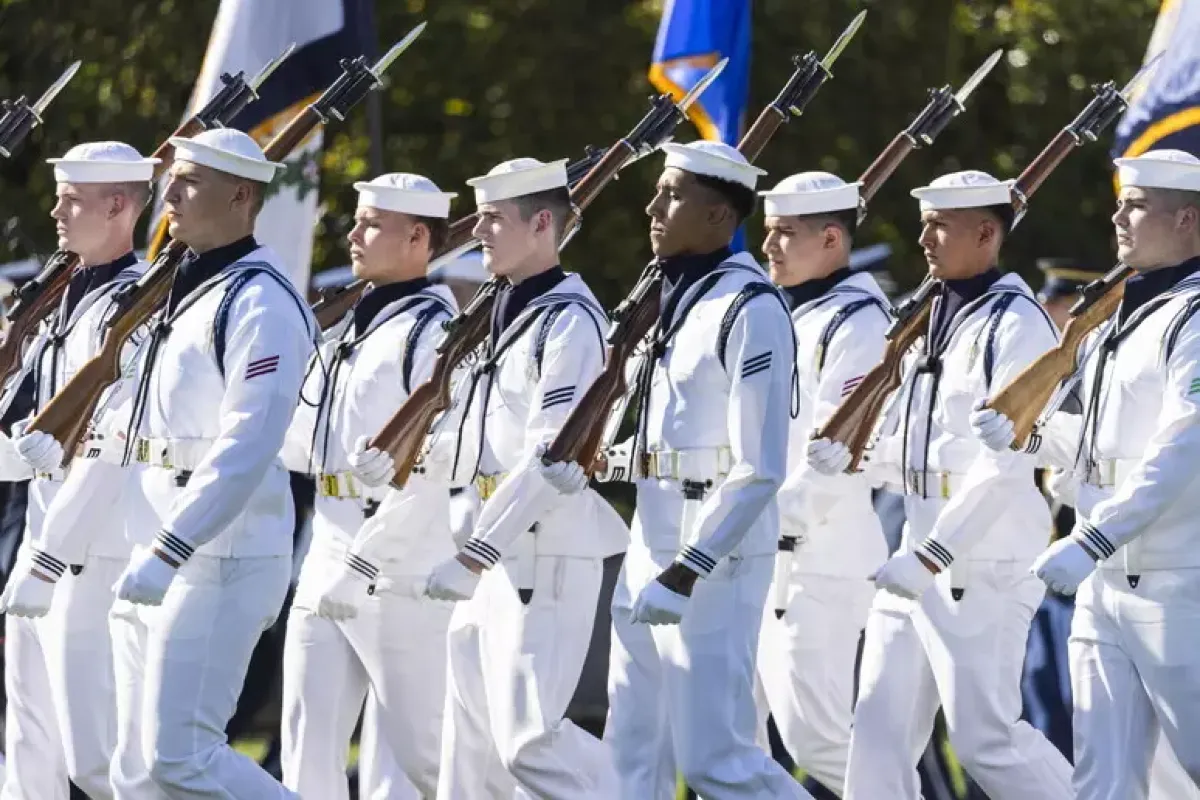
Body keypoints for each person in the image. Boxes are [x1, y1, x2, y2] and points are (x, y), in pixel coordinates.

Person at [18, 128, 316, 798]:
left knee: (182, 757)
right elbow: (131, 414)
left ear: (241, 194)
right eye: (172, 179)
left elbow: (248, 441)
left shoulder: (262, 299)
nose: (170, 194)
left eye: (189, 182)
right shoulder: (174, 291)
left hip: (217, 556)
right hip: (143, 541)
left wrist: (171, 548)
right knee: (132, 772)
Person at [349, 157, 625, 798]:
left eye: (495, 220)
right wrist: (400, 458)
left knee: (530, 742)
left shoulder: (569, 321)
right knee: (467, 757)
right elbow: (472, 439)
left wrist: (474, 556)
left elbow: (548, 457)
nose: (478, 234)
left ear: (544, 224)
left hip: (537, 554)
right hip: (484, 550)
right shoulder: (498, 313)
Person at [807, 170, 1074, 799]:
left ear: (985, 232)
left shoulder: (1019, 324)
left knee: (988, 741)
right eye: (924, 221)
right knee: (875, 738)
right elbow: (913, 441)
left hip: (977, 563)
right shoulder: (931, 317)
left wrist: (934, 554)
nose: (923, 237)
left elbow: (1004, 463)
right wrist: (854, 457)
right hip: (916, 555)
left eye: (939, 225)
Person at [972, 149, 1200, 798]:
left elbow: (1184, 446)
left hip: (1177, 580)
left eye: (1136, 205)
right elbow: (1092, 435)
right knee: (1101, 781)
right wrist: (1029, 434)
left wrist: (1093, 537)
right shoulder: (1115, 314)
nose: (1118, 215)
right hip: (1101, 581)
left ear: (1186, 218)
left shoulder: (1193, 314)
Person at [588, 140, 807, 800]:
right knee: (631, 753)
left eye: (672, 194)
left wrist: (687, 570)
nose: (652, 206)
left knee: (717, 760)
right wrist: (616, 459)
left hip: (711, 553)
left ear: (719, 216)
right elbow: (679, 428)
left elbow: (760, 467)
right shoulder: (672, 301)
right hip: (647, 537)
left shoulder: (751, 307)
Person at [278, 172, 459, 798]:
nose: (353, 233)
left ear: (417, 236)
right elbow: (300, 444)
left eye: (371, 223)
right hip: (326, 540)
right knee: (305, 745)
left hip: (395, 558)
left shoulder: (433, 332)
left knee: (418, 760)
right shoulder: (353, 323)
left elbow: (433, 468)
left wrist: (365, 561)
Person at [0, 142, 156, 800]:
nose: (56, 211)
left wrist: (48, 559)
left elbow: (108, 448)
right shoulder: (62, 302)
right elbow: (29, 437)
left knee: (99, 759)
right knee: (29, 744)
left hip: (93, 556)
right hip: (42, 539)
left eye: (71, 199)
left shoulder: (142, 307)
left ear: (118, 205)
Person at [752, 172, 892, 796]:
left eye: (785, 234)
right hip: (758, 552)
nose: (769, 247)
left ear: (832, 238)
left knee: (818, 738)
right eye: (768, 232)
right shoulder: (788, 312)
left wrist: (769, 520)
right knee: (731, 737)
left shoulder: (859, 324)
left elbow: (837, 452)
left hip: (816, 558)